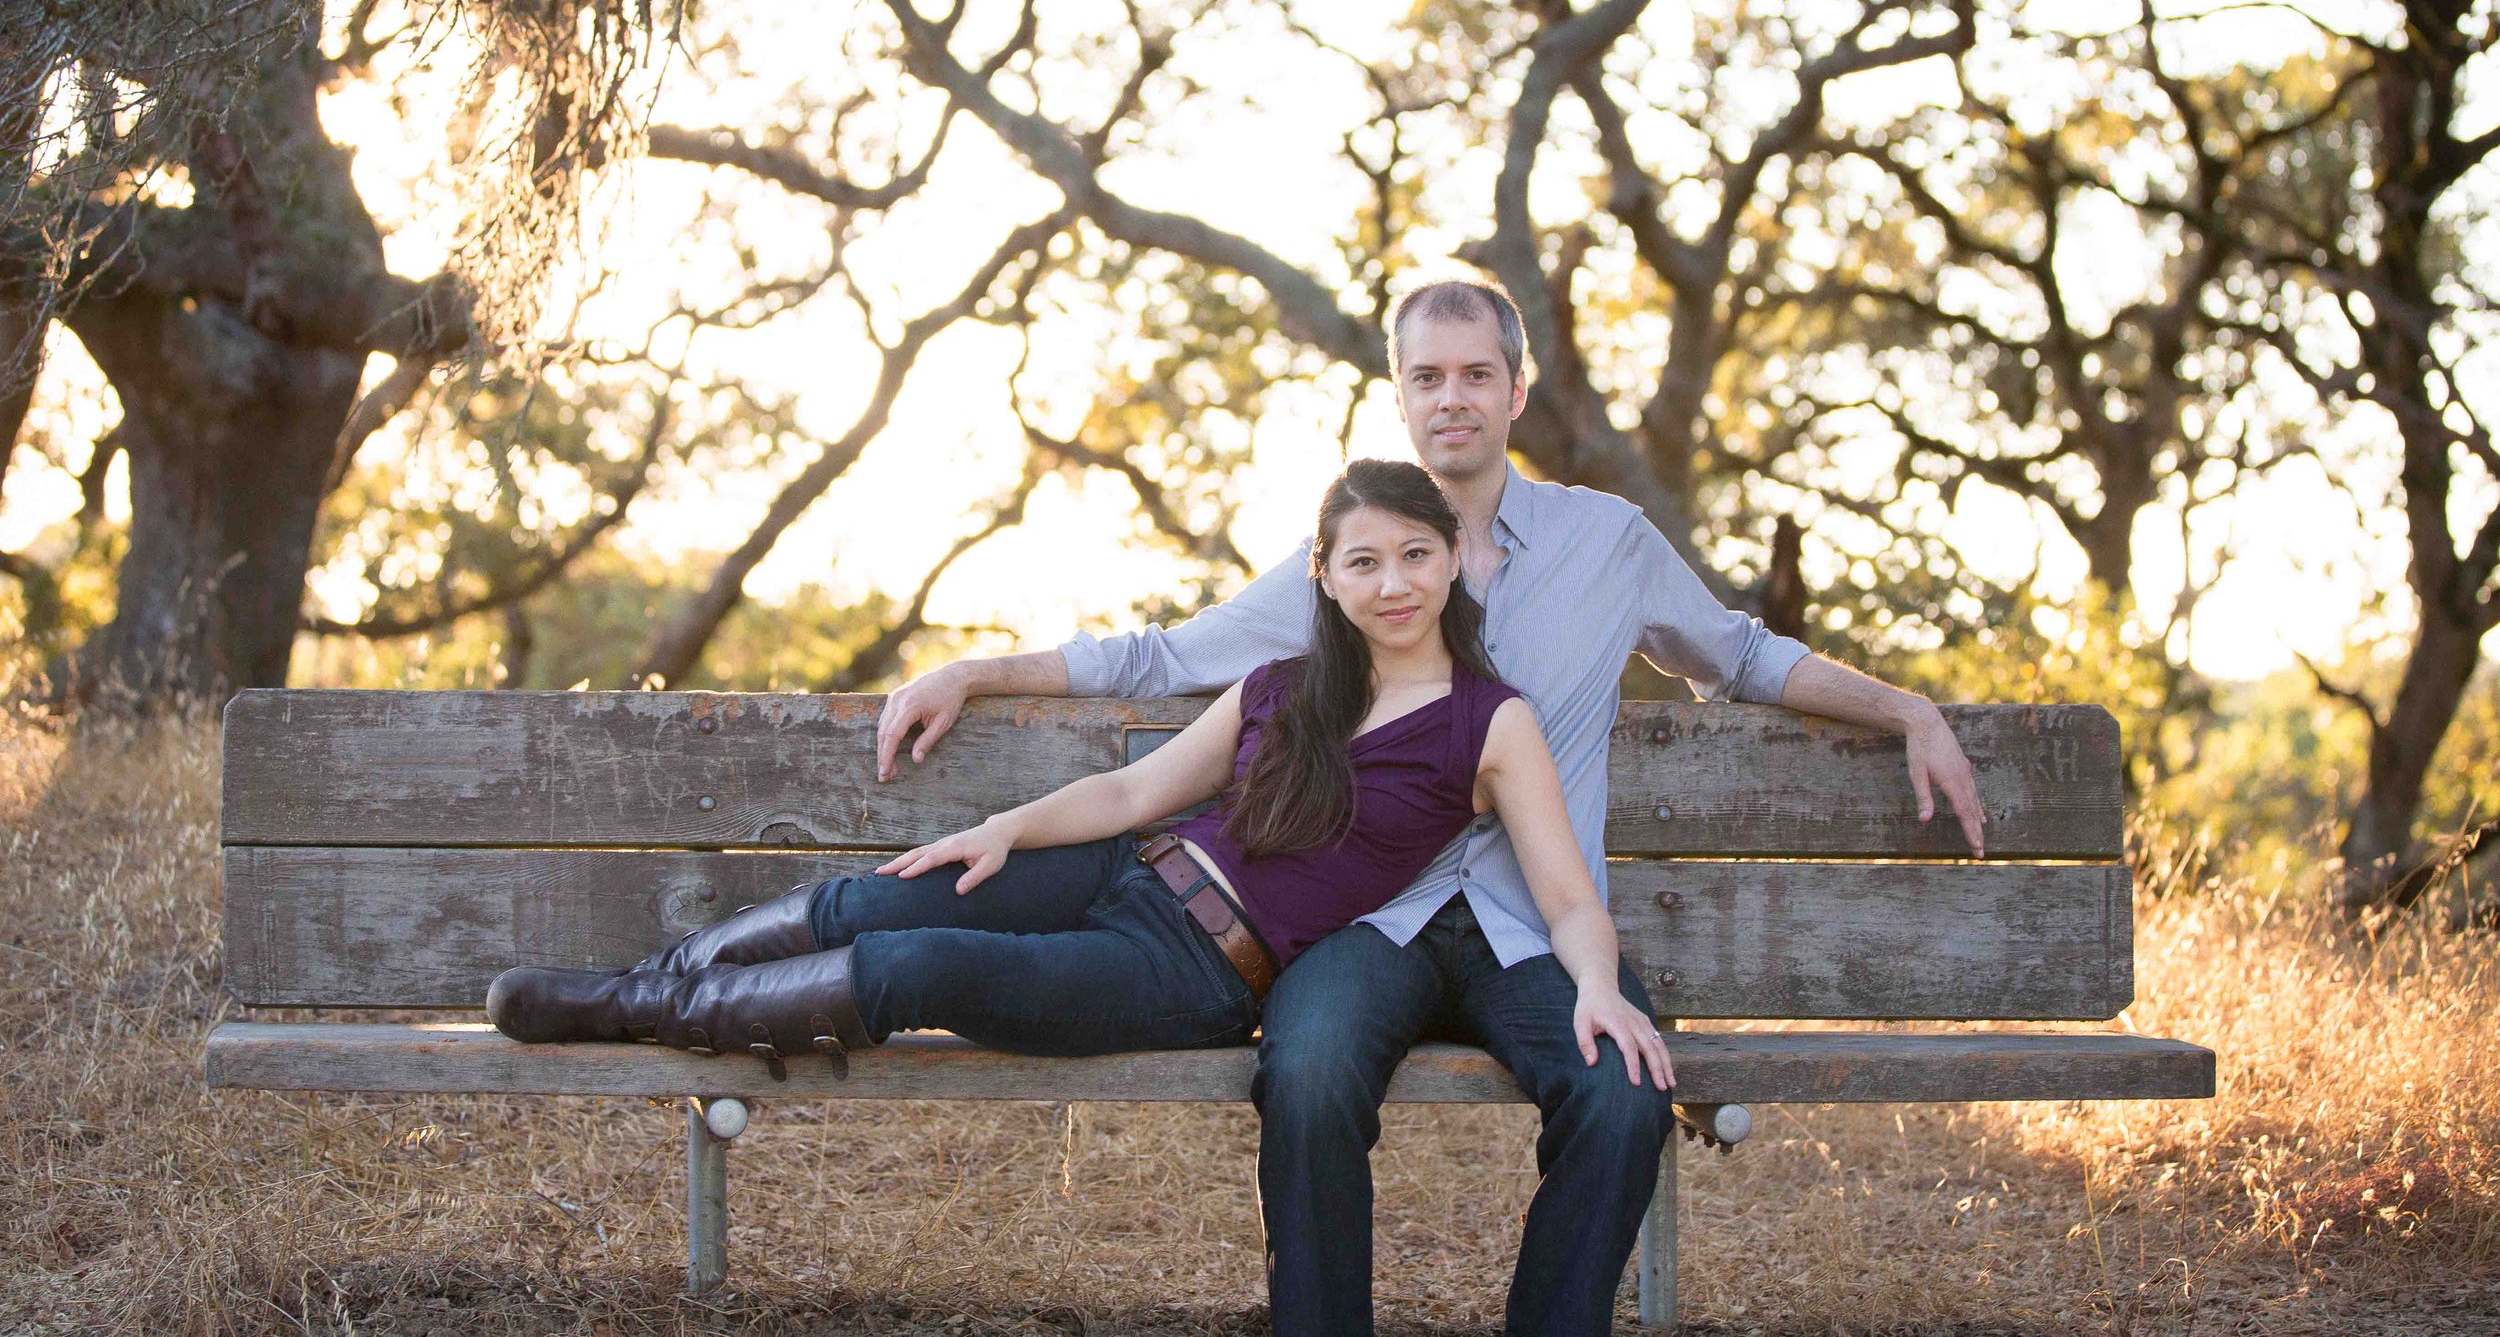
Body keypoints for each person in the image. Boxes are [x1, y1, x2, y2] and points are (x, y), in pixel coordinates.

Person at [874, 276, 1989, 1337]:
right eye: (1425, 377)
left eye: (1473, 374)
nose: (1449, 397)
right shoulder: (1355, 555)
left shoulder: (1609, 544)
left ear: (1514, 388)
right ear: (1399, 393)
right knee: (1303, 1076)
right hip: (1370, 920)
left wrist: (1905, 707)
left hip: (1539, 925)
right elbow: (1166, 652)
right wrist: (976, 670)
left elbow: (1740, 653)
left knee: (1622, 1093)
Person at [485, 459, 1673, 1110]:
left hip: (1195, 969)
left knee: (910, 969)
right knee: (878, 897)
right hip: (1127, 874)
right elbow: (1130, 794)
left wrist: (1601, 988)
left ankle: (646, 1014)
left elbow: (1566, 896)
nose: (1393, 580)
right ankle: (627, 989)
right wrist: (999, 828)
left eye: (1416, 554)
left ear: (1453, 559)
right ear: (1325, 573)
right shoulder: (1281, 682)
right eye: (1363, 559)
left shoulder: (1489, 719)